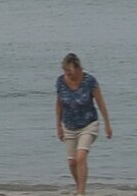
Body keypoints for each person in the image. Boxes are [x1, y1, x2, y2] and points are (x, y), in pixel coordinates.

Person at [54, 52, 112, 196]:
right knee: (72, 163)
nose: (67, 74)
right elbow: (59, 105)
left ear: (78, 68)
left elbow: (100, 102)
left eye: (70, 71)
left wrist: (107, 124)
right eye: (65, 71)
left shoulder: (89, 81)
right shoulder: (61, 82)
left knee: (80, 157)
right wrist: (59, 126)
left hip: (88, 123)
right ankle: (79, 187)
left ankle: (81, 192)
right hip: (69, 126)